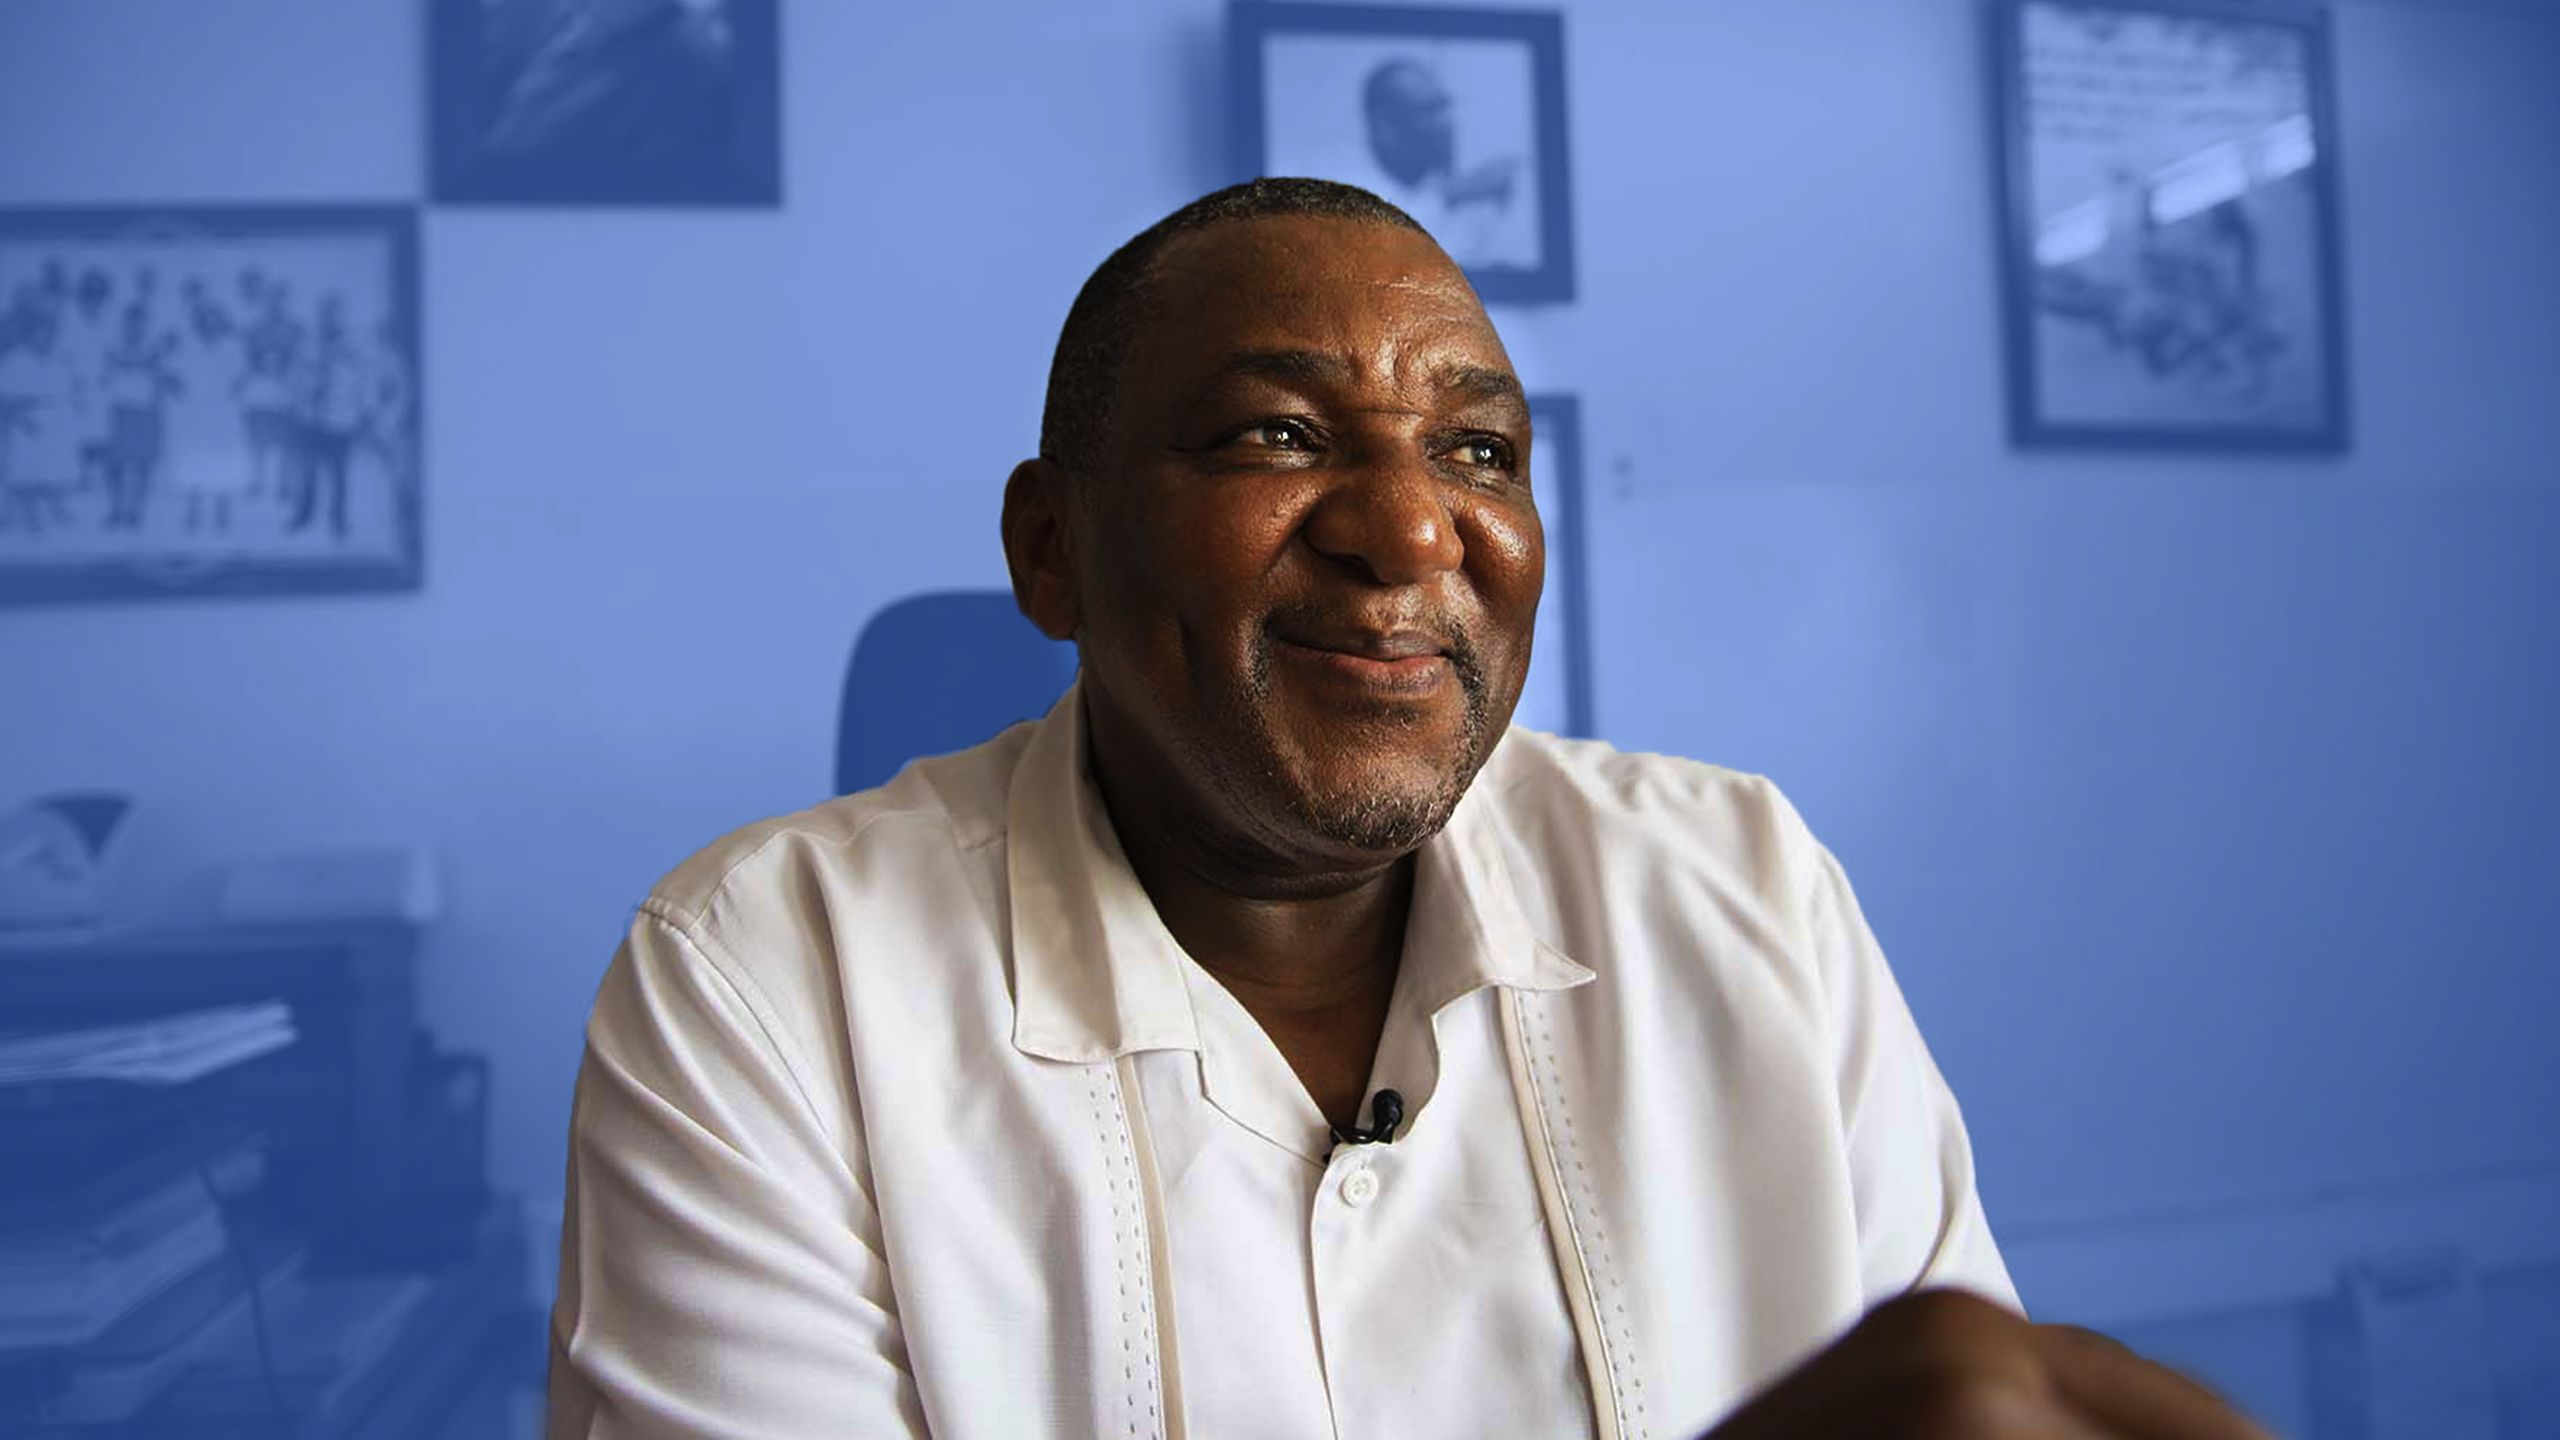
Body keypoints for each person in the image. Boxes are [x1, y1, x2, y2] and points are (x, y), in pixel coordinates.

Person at [548, 179, 2270, 1440]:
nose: (1414, 530)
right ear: (1052, 550)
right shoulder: (763, 980)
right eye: (1276, 436)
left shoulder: (1745, 888)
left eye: (1479, 452)